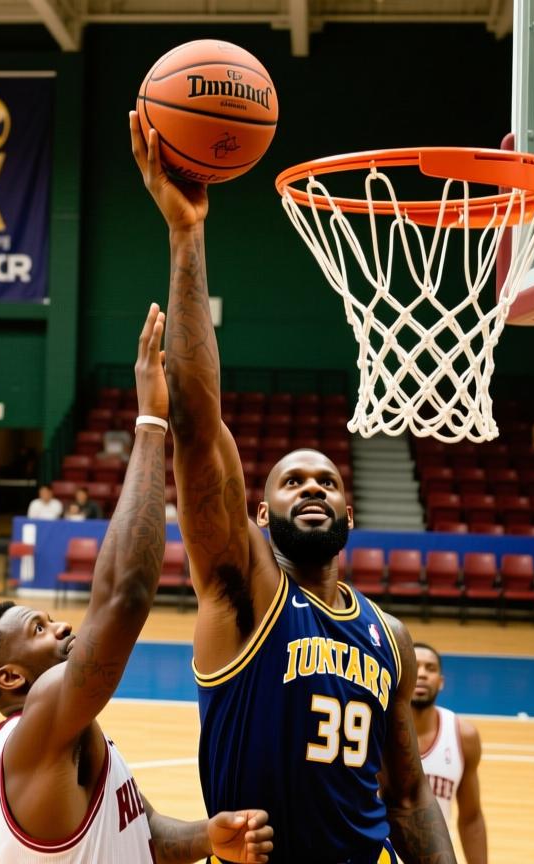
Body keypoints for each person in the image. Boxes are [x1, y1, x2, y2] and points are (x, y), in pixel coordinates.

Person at [131, 112, 454, 864]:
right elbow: (201, 428)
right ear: (261, 513)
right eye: (289, 481)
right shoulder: (246, 593)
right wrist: (187, 238)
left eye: (326, 479)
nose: (310, 486)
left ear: (349, 509)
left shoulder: (390, 637)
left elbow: (406, 797)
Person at [0, 306, 274, 864]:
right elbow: (124, 597)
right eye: (38, 627)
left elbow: (144, 833)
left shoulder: (63, 737)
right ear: (9, 677)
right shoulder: (38, 729)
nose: (60, 624)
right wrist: (151, 423)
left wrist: (208, 837)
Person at [412, 644, 487, 864]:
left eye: (430, 668)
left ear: (441, 682)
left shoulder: (463, 736)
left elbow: (471, 818)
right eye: (414, 667)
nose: (423, 674)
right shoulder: (377, 728)